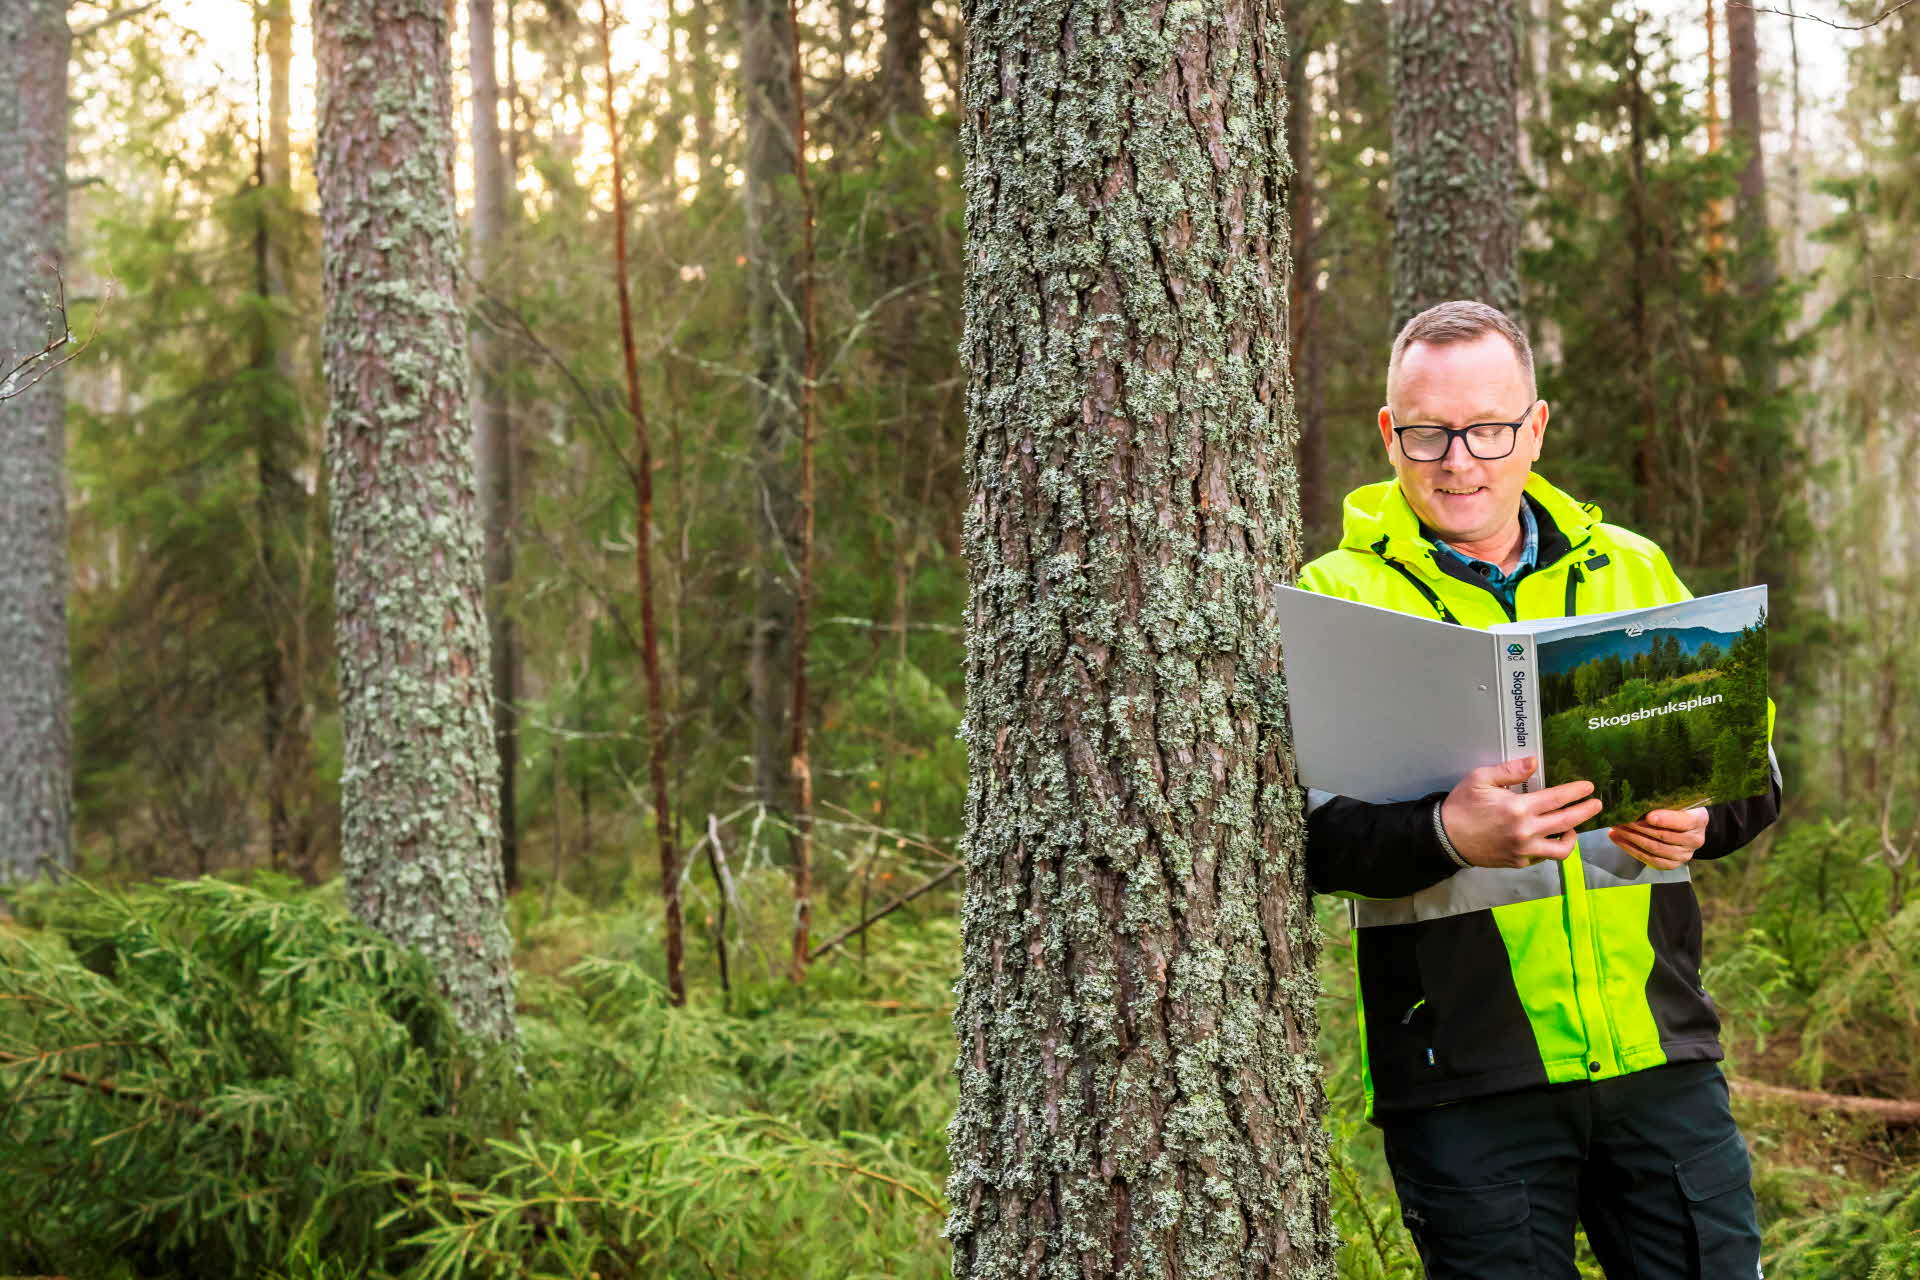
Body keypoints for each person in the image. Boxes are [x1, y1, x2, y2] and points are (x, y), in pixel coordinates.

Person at [1298, 300, 1781, 1280]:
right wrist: (1445, 831)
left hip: (1661, 1058)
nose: (1460, 460)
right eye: (1429, 432)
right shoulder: (1334, 599)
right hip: (1465, 1082)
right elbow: (1301, 840)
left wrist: (1699, 820)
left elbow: (1757, 773)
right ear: (1391, 432)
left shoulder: (1635, 570)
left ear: (1537, 428)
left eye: (1490, 429)